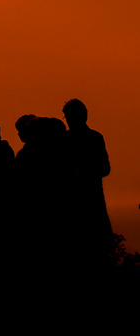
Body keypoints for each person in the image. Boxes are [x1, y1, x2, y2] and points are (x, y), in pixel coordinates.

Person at [62, 98, 113, 270]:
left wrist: (82, 172)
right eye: (67, 116)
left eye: (70, 116)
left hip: (90, 204)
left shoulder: (94, 138)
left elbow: (105, 168)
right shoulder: (66, 139)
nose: (69, 120)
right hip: (77, 206)